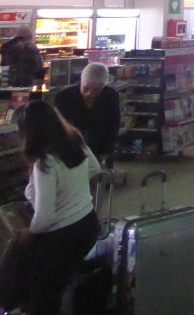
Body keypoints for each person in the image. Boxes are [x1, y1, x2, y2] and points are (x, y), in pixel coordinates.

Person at [15, 100, 101, 315]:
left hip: (62, 237)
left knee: (43, 297)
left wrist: (27, 233)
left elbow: (45, 217)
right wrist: (72, 188)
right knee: (59, 284)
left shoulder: (45, 163)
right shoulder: (74, 141)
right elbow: (95, 167)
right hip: (88, 224)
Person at [54, 62, 121, 164]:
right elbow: (59, 127)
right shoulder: (64, 97)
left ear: (103, 86)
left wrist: (107, 150)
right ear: (81, 81)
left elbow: (114, 124)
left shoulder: (111, 96)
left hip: (99, 146)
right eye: (86, 88)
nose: (90, 93)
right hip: (71, 148)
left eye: (96, 90)